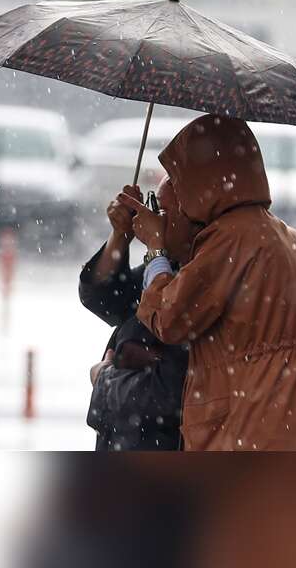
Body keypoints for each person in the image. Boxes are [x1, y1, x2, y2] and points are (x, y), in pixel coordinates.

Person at [118, 114, 296, 451]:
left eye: (171, 200)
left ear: (198, 188)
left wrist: (155, 249)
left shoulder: (230, 241)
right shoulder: (292, 240)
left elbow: (168, 317)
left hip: (253, 440)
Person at [78, 177, 198, 450]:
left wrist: (105, 382)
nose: (152, 219)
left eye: (162, 211)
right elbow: (105, 299)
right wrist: (120, 235)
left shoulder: (199, 281)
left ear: (195, 220)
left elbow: (168, 395)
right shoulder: (171, 266)